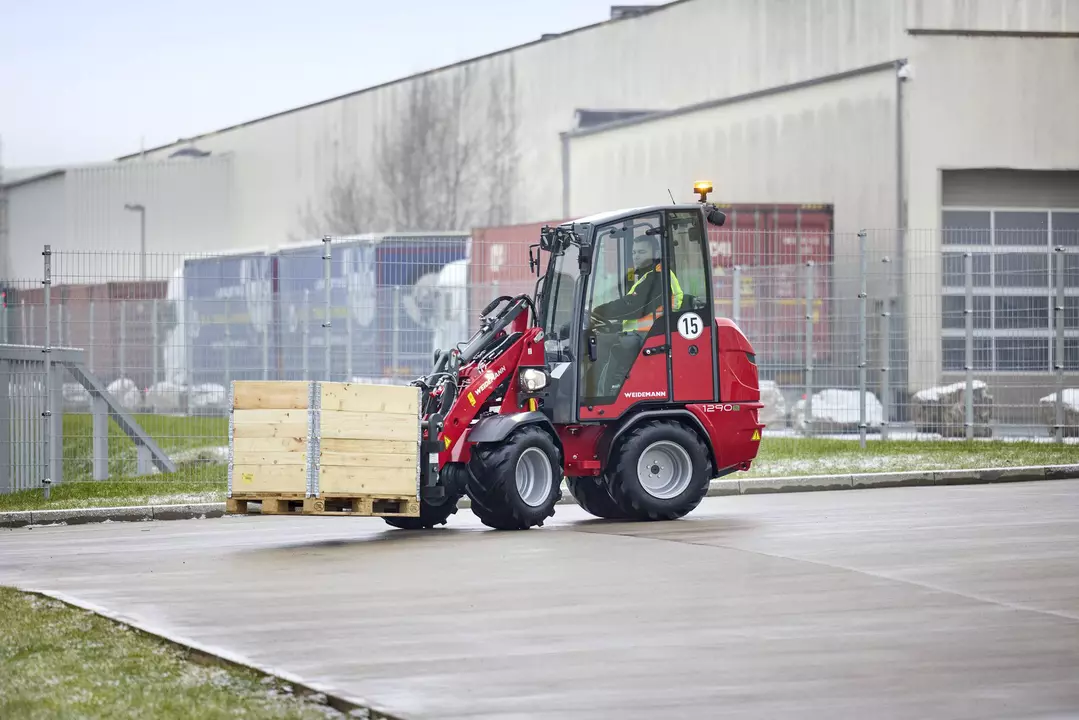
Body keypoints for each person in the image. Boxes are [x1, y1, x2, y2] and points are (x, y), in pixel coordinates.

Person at [591, 235, 683, 332]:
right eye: (633, 252)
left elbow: (632, 306)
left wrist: (598, 312)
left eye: (641, 252)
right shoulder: (646, 276)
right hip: (643, 335)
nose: (636, 256)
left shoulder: (659, 277)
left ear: (656, 253)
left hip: (651, 336)